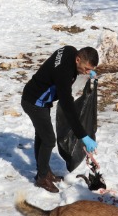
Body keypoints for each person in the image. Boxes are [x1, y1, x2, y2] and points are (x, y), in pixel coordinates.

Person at [21, 46, 99, 193]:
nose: (87, 71)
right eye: (86, 68)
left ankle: (43, 171)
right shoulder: (64, 73)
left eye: (90, 69)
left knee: (42, 135)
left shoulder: (70, 50)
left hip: (39, 99)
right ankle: (42, 178)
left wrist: (86, 74)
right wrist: (83, 136)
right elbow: (68, 107)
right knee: (49, 139)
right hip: (34, 102)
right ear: (77, 60)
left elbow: (64, 71)